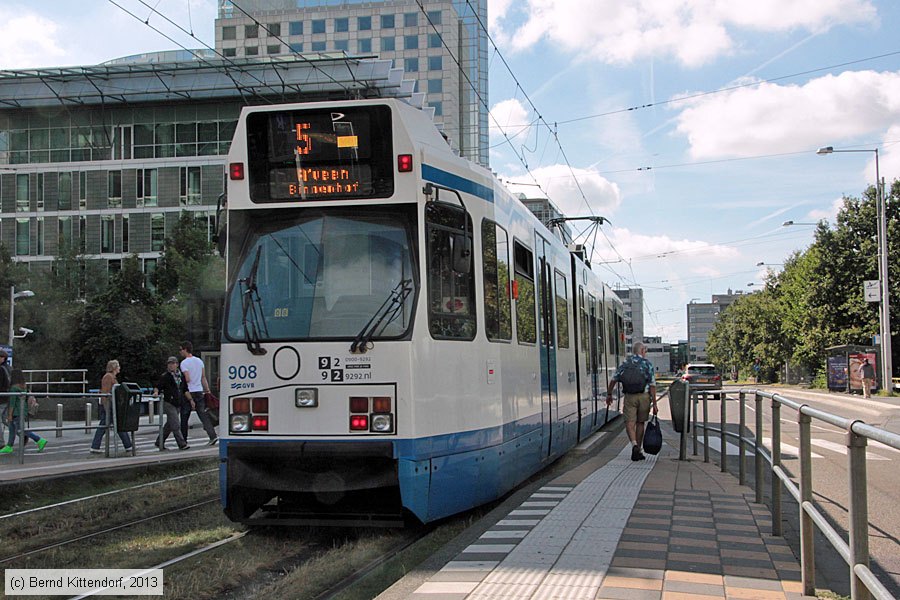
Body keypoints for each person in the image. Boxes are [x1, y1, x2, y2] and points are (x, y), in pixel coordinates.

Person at [607, 341, 658, 461]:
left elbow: (614, 379)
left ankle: (634, 444)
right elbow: (652, 385)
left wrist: (609, 394)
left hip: (629, 396)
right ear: (642, 351)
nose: (645, 353)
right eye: (645, 351)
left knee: (629, 423)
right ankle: (638, 450)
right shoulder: (647, 364)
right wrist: (654, 403)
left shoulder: (626, 363)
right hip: (644, 396)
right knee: (640, 423)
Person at [90, 359, 133, 454]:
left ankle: (128, 445)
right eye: (118, 366)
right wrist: (106, 408)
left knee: (115, 425)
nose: (119, 368)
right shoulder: (108, 377)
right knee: (104, 426)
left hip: (111, 406)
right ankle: (128, 445)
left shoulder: (112, 377)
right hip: (109, 406)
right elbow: (105, 393)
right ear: (114, 367)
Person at [179, 341, 217, 446]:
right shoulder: (199, 361)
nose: (180, 352)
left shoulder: (184, 363)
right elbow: (203, 377)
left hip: (189, 392)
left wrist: (182, 383)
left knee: (184, 416)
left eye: (181, 349)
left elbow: (187, 378)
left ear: (185, 349)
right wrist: (207, 390)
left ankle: (184, 440)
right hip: (199, 390)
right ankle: (212, 435)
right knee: (203, 414)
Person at [1, 369, 47, 453]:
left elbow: (12, 403)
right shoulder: (23, 386)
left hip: (16, 412)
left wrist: (10, 415)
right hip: (22, 411)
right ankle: (9, 446)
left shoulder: (14, 388)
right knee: (12, 428)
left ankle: (39, 440)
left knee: (21, 430)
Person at [153, 357, 190, 450]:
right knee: (175, 424)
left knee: (169, 425)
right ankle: (182, 444)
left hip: (178, 402)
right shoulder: (165, 376)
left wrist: (190, 400)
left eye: (173, 363)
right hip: (169, 402)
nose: (171, 365)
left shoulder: (181, 376)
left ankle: (159, 441)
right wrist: (156, 392)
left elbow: (185, 389)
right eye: (169, 363)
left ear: (177, 364)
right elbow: (158, 386)